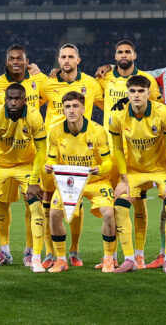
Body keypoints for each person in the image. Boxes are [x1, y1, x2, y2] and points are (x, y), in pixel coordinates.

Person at [95, 39, 163, 268]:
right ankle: (112, 256)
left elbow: (156, 109)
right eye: (119, 52)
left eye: (128, 52)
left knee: (138, 201)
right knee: (113, 202)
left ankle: (140, 253)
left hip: (137, 150)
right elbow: (98, 102)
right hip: (111, 150)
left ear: (135, 55)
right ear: (114, 56)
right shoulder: (104, 78)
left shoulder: (147, 80)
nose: (123, 55)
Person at [37, 43, 104, 268]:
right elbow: (29, 103)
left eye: (70, 57)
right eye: (63, 57)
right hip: (52, 151)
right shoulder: (47, 84)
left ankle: (74, 250)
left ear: (78, 59)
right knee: (48, 200)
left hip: (80, 150)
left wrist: (110, 66)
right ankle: (50, 252)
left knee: (77, 203)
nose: (66, 60)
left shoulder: (91, 84)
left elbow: (110, 101)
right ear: (58, 60)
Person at [106, 74, 166, 273]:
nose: (137, 95)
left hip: (162, 170)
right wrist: (123, 179)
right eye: (132, 91)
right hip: (134, 171)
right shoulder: (118, 116)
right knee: (120, 207)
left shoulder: (162, 112)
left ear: (149, 93)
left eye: (141, 91)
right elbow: (118, 149)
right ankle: (130, 259)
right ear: (127, 93)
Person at [43, 90, 122, 273]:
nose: (71, 110)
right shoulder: (56, 131)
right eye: (68, 107)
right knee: (54, 214)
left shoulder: (97, 130)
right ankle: (61, 259)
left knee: (109, 213)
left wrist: (100, 169)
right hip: (68, 181)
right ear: (63, 110)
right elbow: (52, 159)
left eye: (75, 106)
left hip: (96, 180)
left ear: (83, 109)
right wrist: (48, 165)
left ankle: (108, 258)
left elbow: (108, 162)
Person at [0, 82, 48, 272]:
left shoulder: (33, 116)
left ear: (25, 100)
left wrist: (33, 181)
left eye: (17, 99)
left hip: (25, 164)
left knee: (36, 207)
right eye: (10, 99)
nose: (13, 102)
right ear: (5, 99)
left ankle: (35, 257)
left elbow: (41, 149)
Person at [0, 45, 46, 267]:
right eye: (11, 58)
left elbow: (62, 95)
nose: (15, 62)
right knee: (2, 203)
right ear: (6, 60)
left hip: (28, 157)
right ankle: (4, 252)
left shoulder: (39, 81)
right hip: (2, 157)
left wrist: (53, 74)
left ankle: (30, 251)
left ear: (26, 60)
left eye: (19, 58)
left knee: (32, 204)